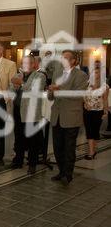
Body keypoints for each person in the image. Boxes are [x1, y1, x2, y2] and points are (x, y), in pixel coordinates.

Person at [48, 50, 88, 185]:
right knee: (58, 147)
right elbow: (51, 96)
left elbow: (78, 94)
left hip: (71, 117)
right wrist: (51, 91)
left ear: (72, 61)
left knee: (69, 148)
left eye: (65, 58)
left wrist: (58, 90)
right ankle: (61, 171)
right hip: (57, 116)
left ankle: (68, 174)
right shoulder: (57, 73)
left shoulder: (81, 75)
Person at [10, 56, 46, 174]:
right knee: (19, 136)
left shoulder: (40, 76)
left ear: (33, 65)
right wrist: (14, 87)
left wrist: (21, 83)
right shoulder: (19, 75)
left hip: (31, 111)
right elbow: (12, 90)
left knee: (32, 140)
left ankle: (32, 164)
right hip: (18, 109)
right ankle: (18, 160)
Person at [83, 66, 108, 160]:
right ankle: (91, 152)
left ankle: (94, 149)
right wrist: (85, 103)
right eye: (94, 72)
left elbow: (105, 100)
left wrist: (105, 112)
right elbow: (83, 95)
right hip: (87, 111)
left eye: (97, 73)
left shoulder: (105, 86)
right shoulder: (87, 84)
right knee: (89, 131)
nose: (95, 74)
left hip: (98, 112)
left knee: (95, 131)